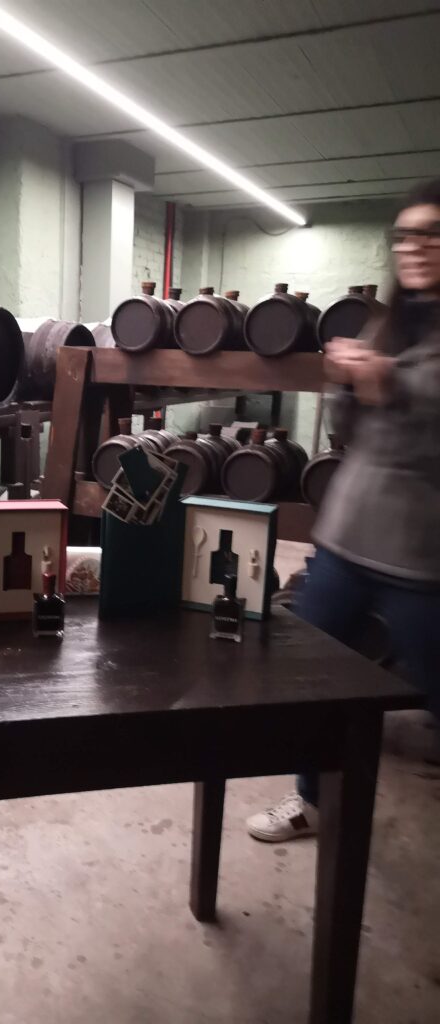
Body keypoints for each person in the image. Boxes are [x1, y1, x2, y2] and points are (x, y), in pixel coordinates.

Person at [247, 178, 440, 842]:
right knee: (310, 675)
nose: (417, 246)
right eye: (407, 235)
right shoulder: (390, 318)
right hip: (349, 535)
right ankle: (311, 800)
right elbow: (356, 423)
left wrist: (388, 383)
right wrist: (347, 377)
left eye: (432, 234)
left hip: (422, 550)